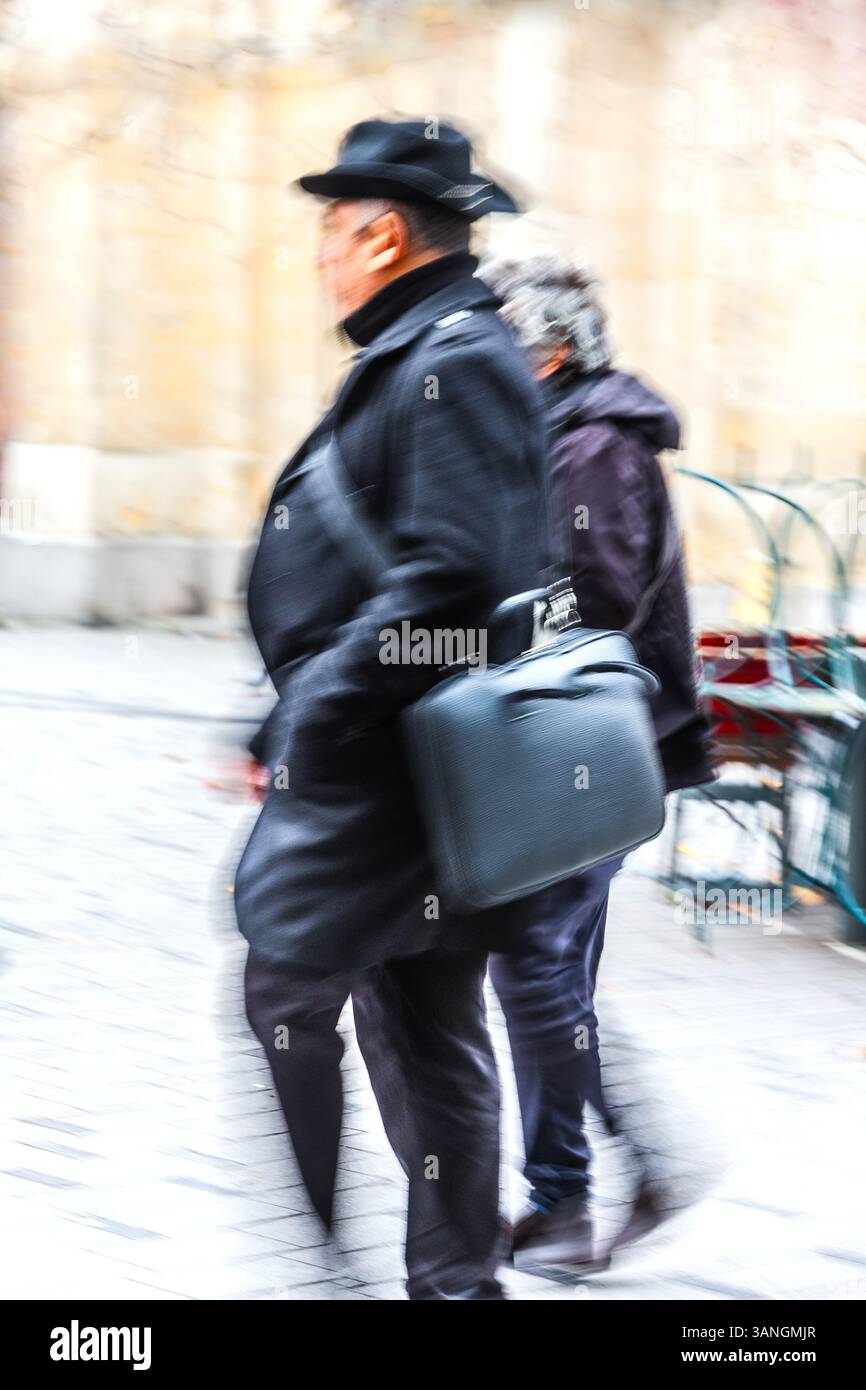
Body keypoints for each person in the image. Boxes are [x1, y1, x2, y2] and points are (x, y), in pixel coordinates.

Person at [235, 119, 546, 1300]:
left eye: (331, 231)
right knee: (418, 1021)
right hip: (403, 760)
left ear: (380, 232)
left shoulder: (450, 354)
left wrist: (316, 700)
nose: (319, 256)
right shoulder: (432, 344)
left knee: (285, 990)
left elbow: (454, 582)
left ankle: (348, 1275)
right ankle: (451, 1283)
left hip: (393, 767)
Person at [481, 248, 716, 1271]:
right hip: (577, 746)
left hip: (593, 750)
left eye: (501, 344)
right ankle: (583, 1190)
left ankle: (593, 1184)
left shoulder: (591, 448)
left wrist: (476, 630)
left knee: (533, 963)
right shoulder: (564, 434)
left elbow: (599, 595)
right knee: (544, 967)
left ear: (550, 353)